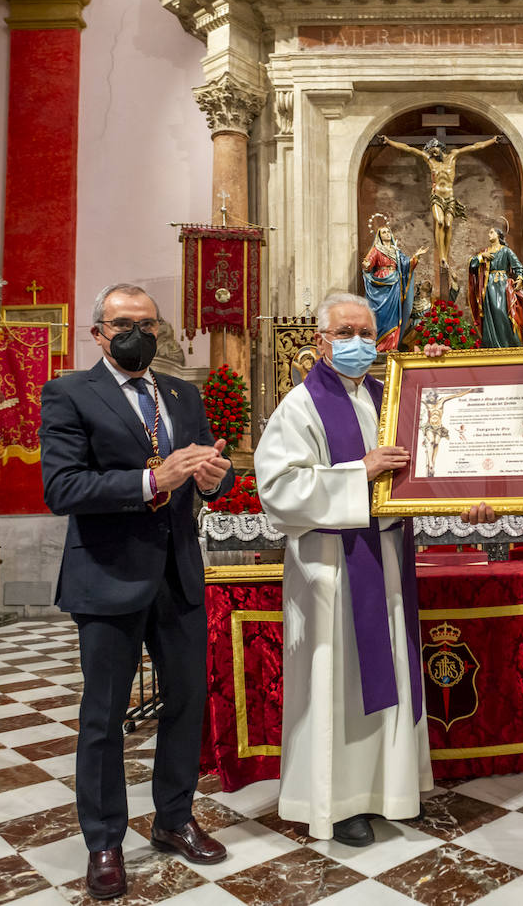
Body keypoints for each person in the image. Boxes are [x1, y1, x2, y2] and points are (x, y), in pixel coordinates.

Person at [40, 283, 235, 900]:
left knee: (185, 703)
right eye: (124, 323)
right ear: (98, 332)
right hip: (107, 576)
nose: (138, 334)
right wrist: (153, 478)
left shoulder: (181, 393)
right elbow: (63, 489)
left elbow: (205, 483)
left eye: (149, 324)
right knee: (103, 716)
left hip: (177, 573)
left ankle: (174, 819)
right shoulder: (70, 392)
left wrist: (212, 478)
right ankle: (104, 841)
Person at [256, 293, 470, 847]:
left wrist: (437, 377)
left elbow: (437, 450)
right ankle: (341, 801)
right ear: (321, 340)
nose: (358, 342)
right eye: (345, 331)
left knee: (391, 669)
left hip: (389, 560)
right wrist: (360, 471)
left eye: (366, 332)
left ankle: (392, 789)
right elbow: (278, 492)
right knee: (339, 683)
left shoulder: (393, 394)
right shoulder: (299, 407)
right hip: (331, 569)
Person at [379, 134, 500, 269]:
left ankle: (445, 255)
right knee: (440, 221)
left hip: (450, 198)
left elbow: (474, 147)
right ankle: (442, 255)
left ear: (440, 147)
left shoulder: (453, 156)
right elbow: (409, 149)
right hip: (437, 197)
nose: (433, 153)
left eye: (434, 149)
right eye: (430, 151)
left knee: (448, 224)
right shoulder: (430, 161)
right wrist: (389, 141)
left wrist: (492, 141)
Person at [361, 225, 429, 351]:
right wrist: (366, 265)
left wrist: (416, 257)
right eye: (383, 233)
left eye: (388, 232)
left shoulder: (396, 251)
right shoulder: (377, 249)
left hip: (395, 285)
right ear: (379, 236)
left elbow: (406, 265)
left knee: (394, 316)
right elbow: (368, 263)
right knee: (381, 314)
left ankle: (392, 345)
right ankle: (378, 346)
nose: (386, 234)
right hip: (380, 285)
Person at [467, 226, 523, 348]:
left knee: (502, 313)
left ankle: (508, 344)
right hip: (488, 288)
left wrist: (520, 278)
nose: (489, 235)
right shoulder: (485, 251)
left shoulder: (505, 251)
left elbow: (518, 266)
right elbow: (472, 265)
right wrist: (481, 256)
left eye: (491, 232)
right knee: (490, 315)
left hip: (502, 286)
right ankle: (492, 345)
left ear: (498, 235)